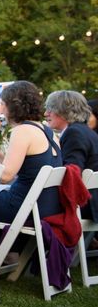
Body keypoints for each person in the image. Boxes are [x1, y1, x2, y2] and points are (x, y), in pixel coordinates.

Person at [0, 81, 62, 224]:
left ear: (13, 105)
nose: (1, 110)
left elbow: (5, 176)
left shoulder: (22, 131)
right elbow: (29, 164)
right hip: (46, 207)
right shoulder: (48, 132)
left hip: (23, 208)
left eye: (2, 104)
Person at [45, 90, 98, 223]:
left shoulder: (74, 132)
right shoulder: (84, 131)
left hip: (87, 205)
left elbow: (72, 172)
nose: (46, 114)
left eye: (50, 109)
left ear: (63, 111)